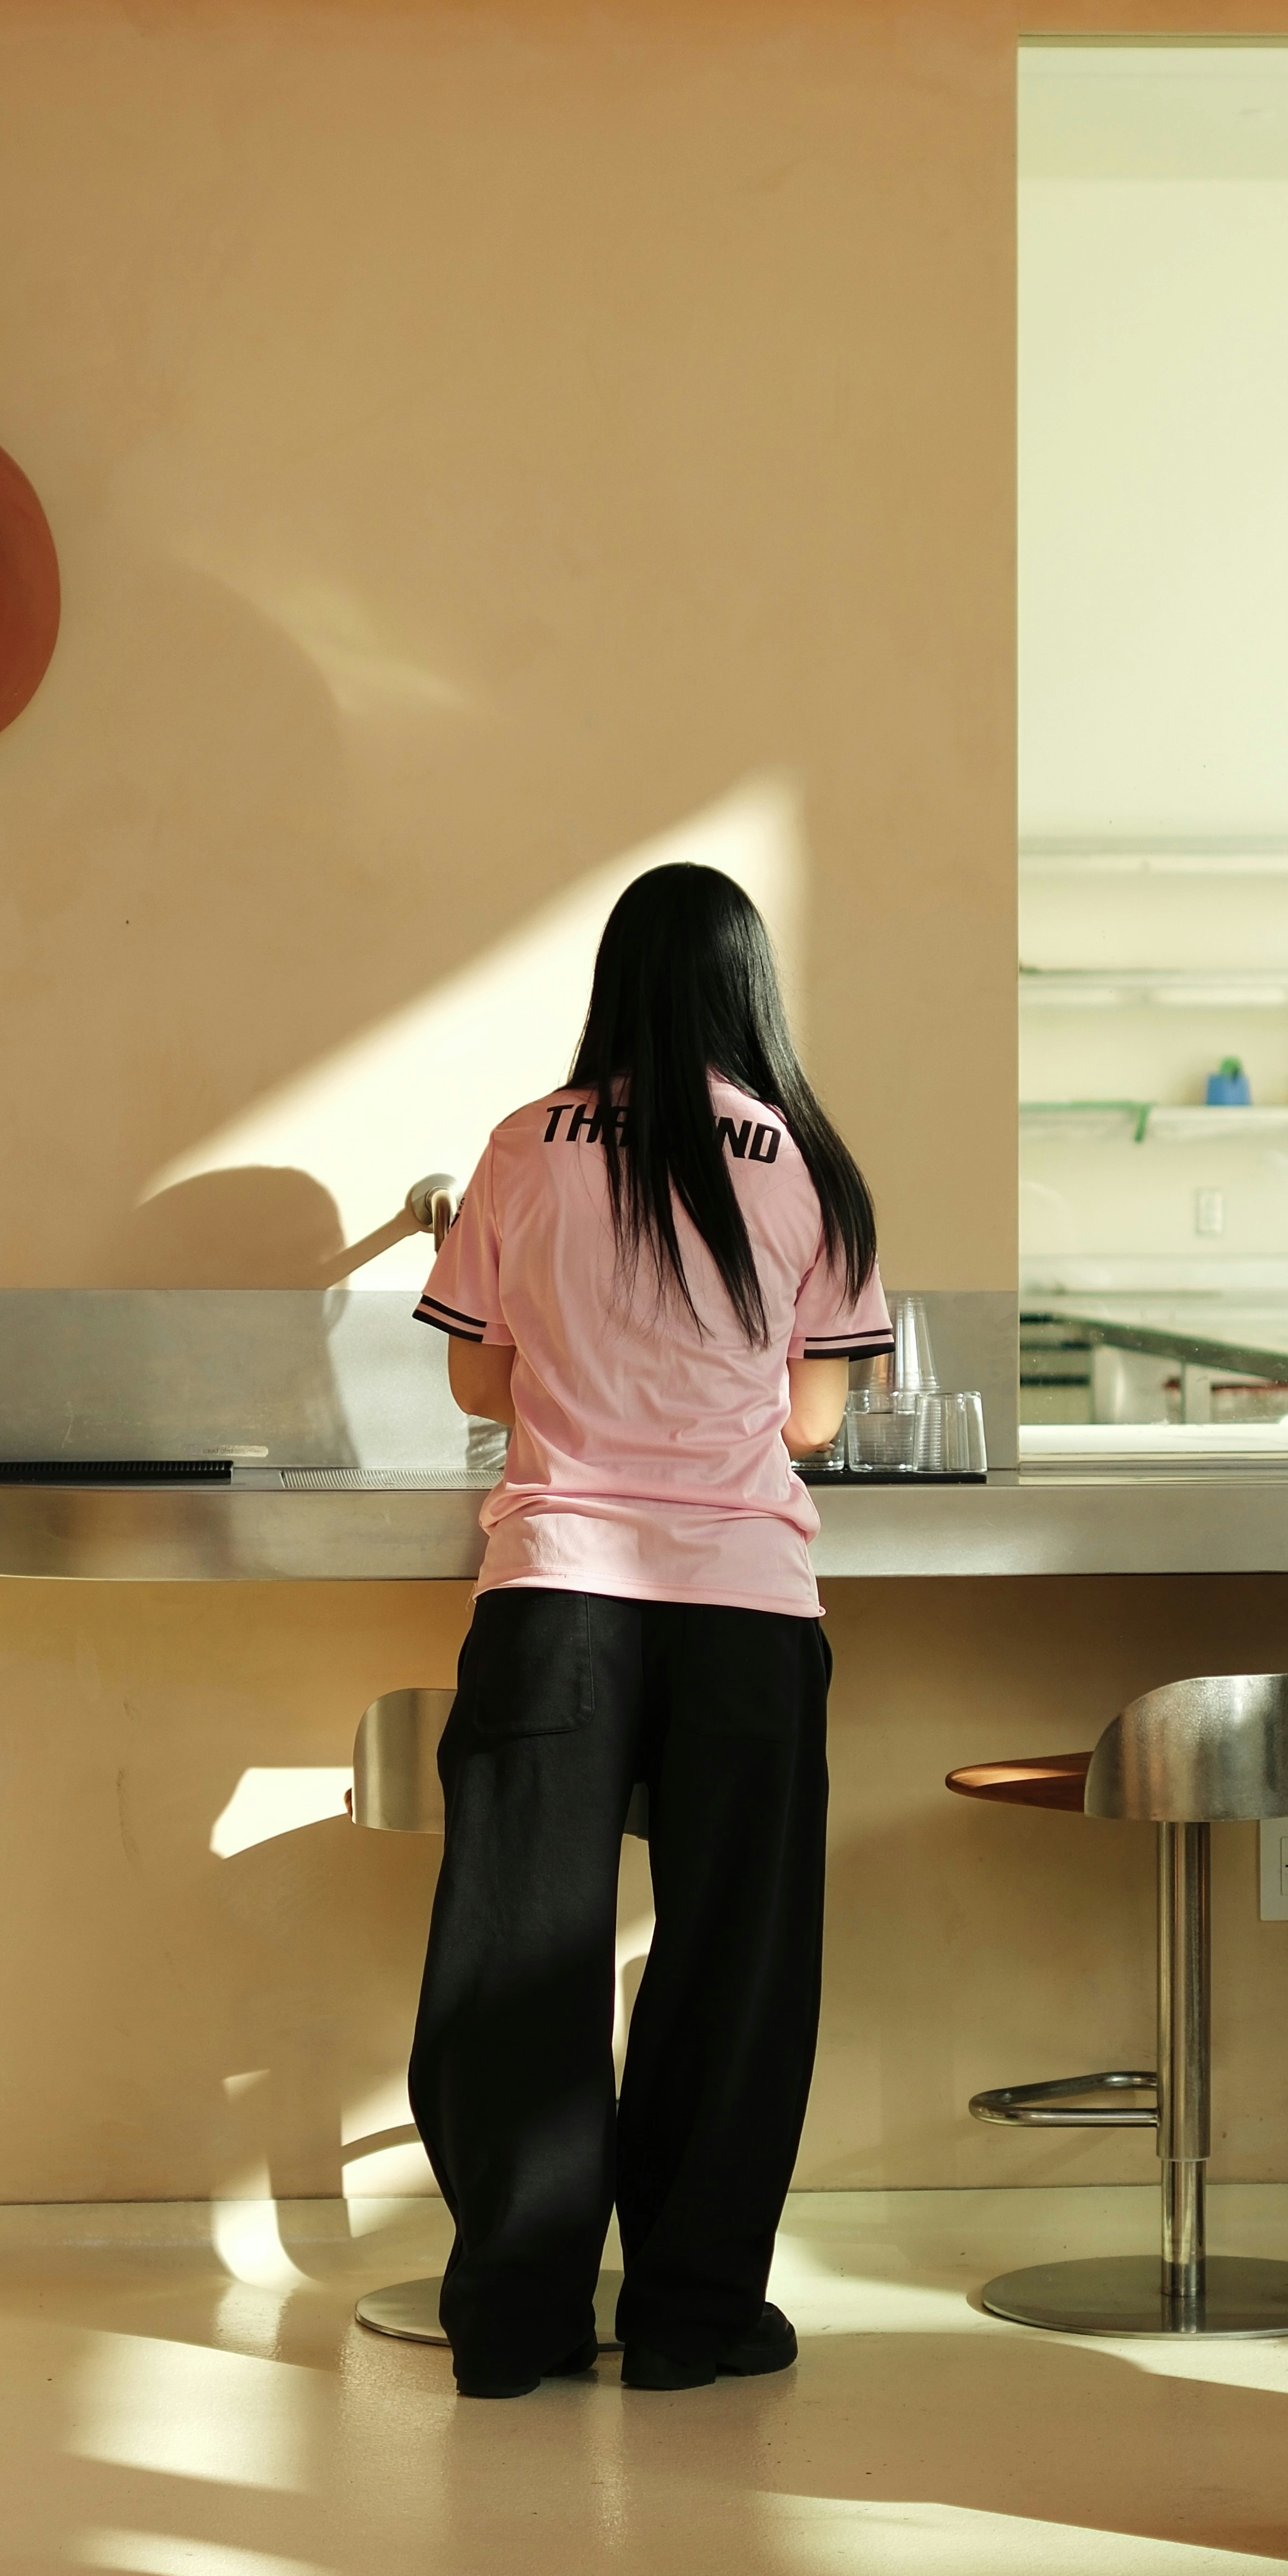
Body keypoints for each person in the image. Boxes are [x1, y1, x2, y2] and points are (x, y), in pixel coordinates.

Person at [407, 863, 891, 2399]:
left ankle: (517, 2313)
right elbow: (810, 1415)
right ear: (751, 983)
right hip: (744, 1603)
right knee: (731, 1962)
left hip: (556, 1586)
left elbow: (477, 1387)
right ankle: (690, 2314)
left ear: (614, 980)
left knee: (519, 1960)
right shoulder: (810, 1162)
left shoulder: (521, 1147)